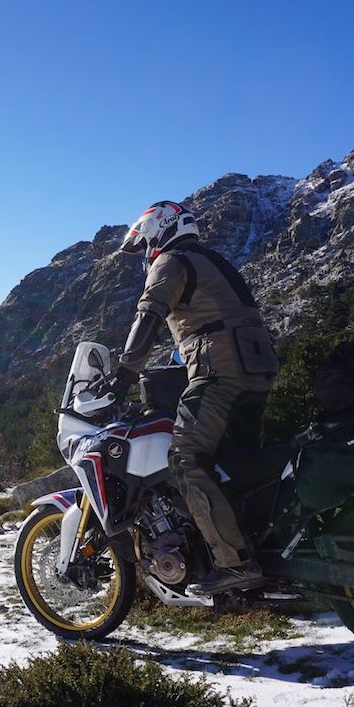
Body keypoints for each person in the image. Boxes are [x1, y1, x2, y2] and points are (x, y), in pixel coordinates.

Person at [106, 201, 279, 593]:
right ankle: (261, 547)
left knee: (185, 459)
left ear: (158, 231)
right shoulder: (211, 260)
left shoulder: (171, 260)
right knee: (238, 467)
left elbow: (148, 318)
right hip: (257, 370)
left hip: (220, 371)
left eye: (145, 244)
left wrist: (123, 378)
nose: (146, 254)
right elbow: (213, 320)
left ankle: (235, 564)